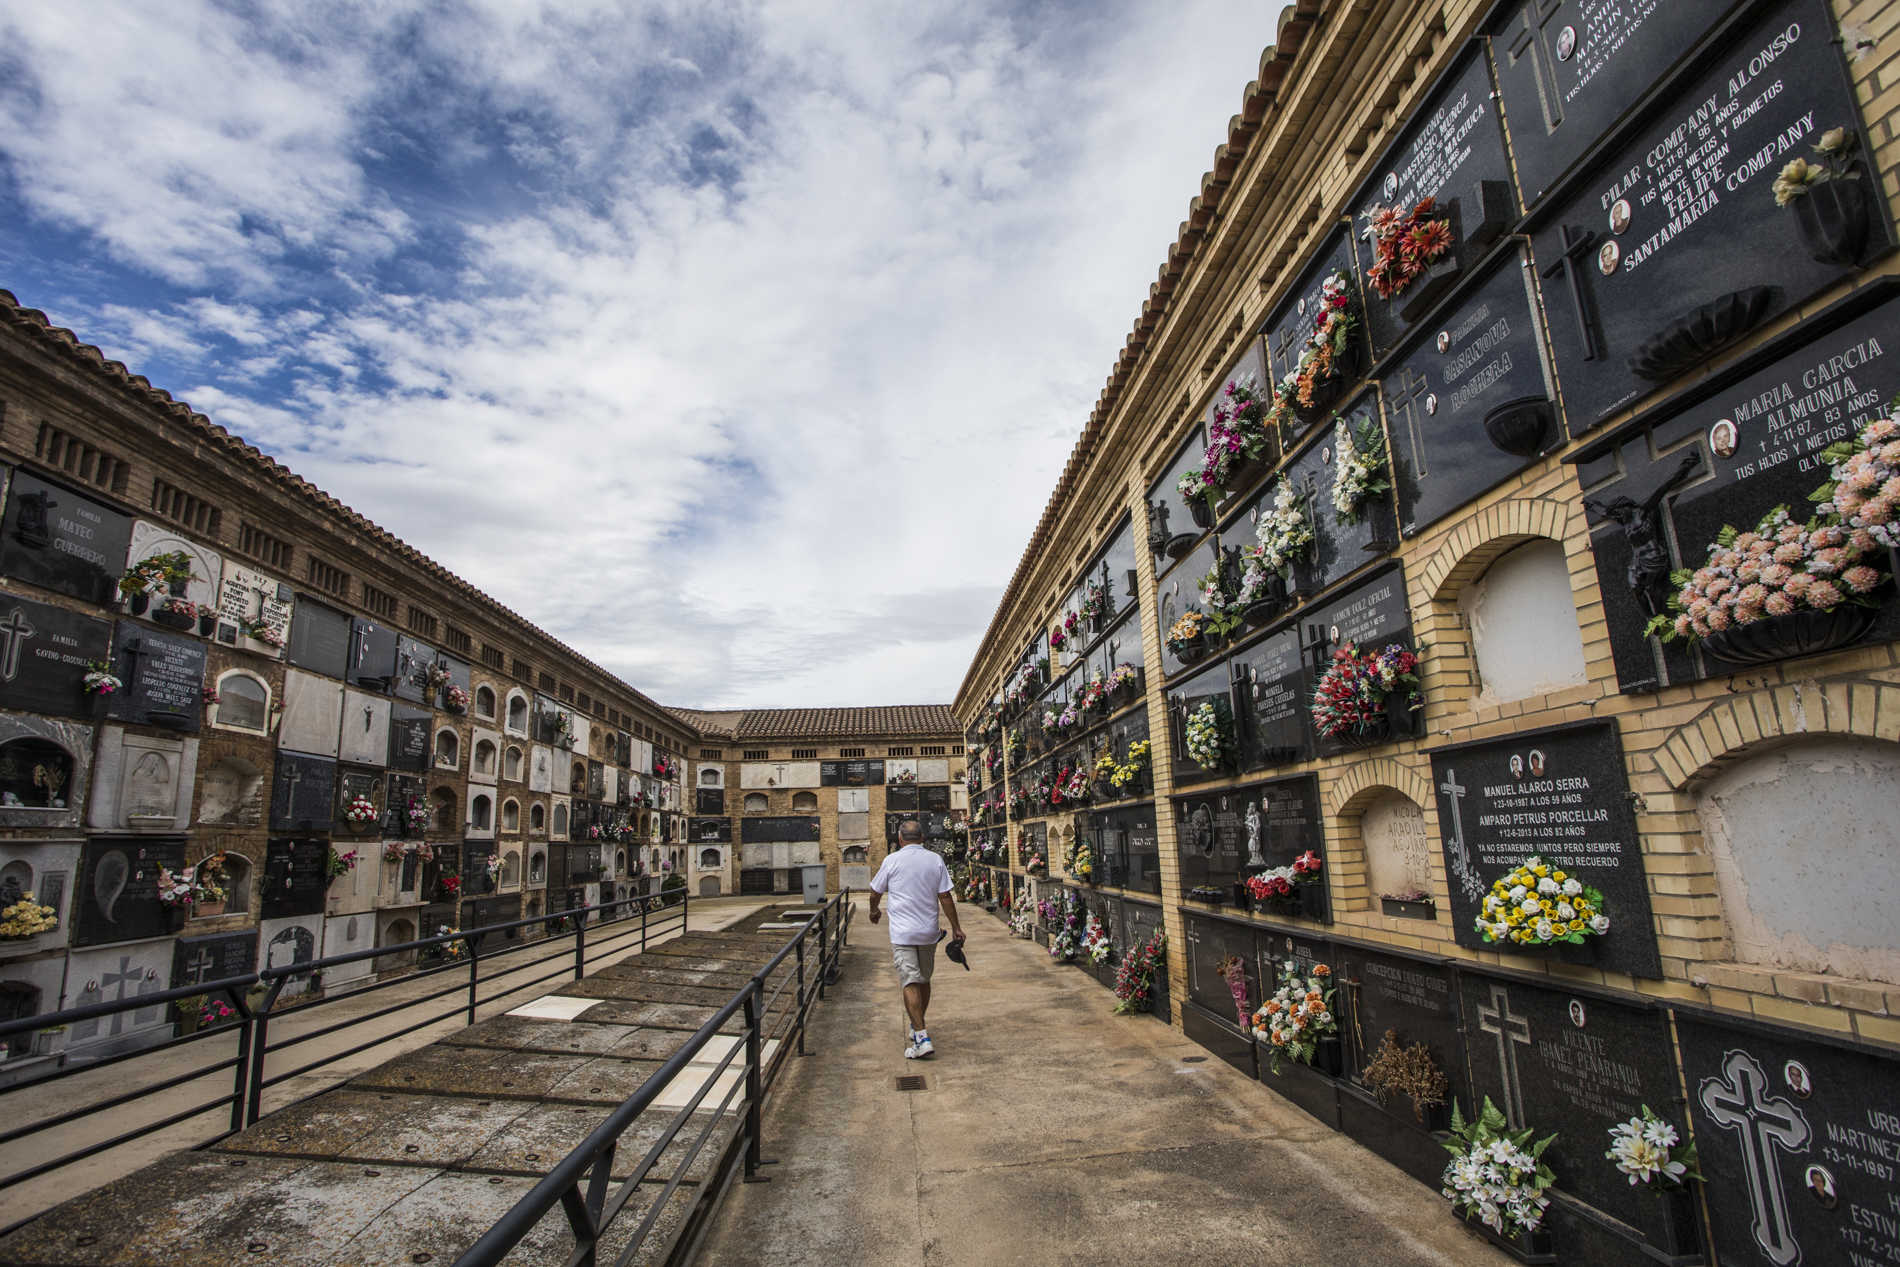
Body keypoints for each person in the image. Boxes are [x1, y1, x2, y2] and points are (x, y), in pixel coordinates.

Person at [868, 819, 965, 1059]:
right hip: (928, 931)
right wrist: (955, 927)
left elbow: (875, 891)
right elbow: (945, 897)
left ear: (900, 839)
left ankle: (921, 1038)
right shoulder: (935, 860)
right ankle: (917, 1025)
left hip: (902, 933)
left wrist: (874, 911)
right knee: (923, 979)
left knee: (909, 980)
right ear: (922, 838)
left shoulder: (891, 860)